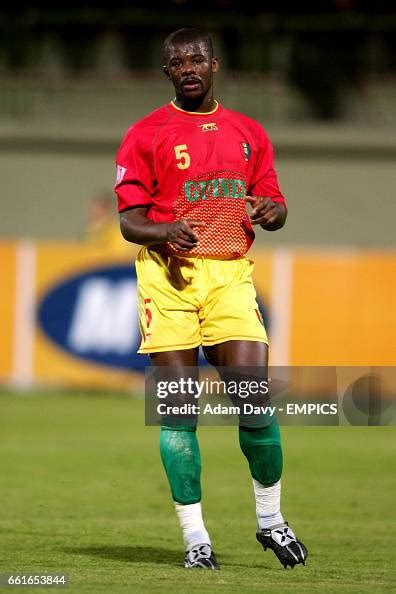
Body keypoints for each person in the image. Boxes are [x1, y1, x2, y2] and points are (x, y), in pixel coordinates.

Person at [114, 27, 307, 570]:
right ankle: (196, 538)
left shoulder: (248, 132)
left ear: (214, 64)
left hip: (228, 276)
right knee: (179, 413)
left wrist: (274, 213)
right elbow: (129, 221)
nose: (189, 67)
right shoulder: (145, 134)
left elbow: (273, 203)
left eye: (197, 58)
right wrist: (164, 231)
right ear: (168, 72)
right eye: (178, 62)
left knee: (253, 398)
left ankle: (270, 521)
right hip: (166, 280)